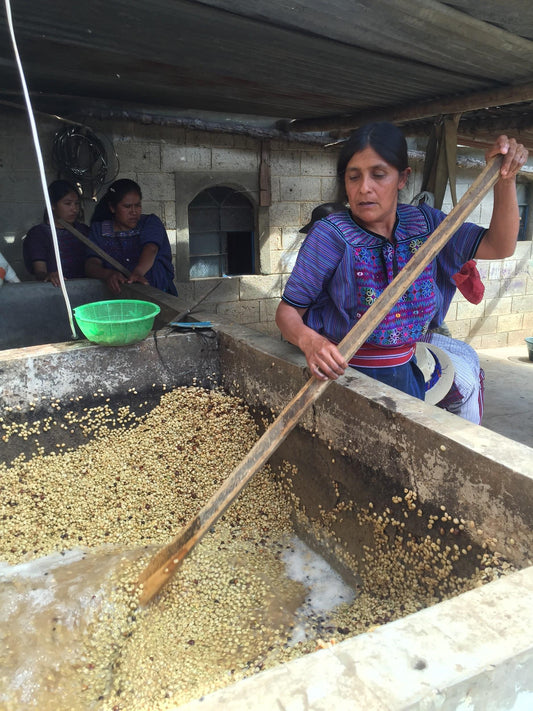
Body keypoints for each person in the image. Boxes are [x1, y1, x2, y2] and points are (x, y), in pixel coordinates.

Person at [276, 122, 528, 410]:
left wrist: (506, 180)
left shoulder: (427, 225)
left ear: (402, 178)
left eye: (379, 175)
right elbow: (288, 312)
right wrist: (310, 342)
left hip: (407, 375)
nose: (364, 189)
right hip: (345, 378)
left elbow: (499, 246)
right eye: (353, 177)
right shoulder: (330, 235)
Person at [86, 179, 177, 295]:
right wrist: (107, 274)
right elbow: (91, 263)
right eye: (127, 206)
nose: (134, 212)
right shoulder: (99, 230)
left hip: (157, 293)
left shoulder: (150, 222)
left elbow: (151, 248)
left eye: (138, 205)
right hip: (117, 297)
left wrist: (138, 273)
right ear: (112, 208)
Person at [23, 180, 88, 286]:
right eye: (68, 204)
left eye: (77, 204)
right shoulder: (39, 234)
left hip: (88, 289)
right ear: (52, 205)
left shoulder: (84, 231)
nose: (74, 209)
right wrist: (49, 276)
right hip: (56, 290)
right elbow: (39, 271)